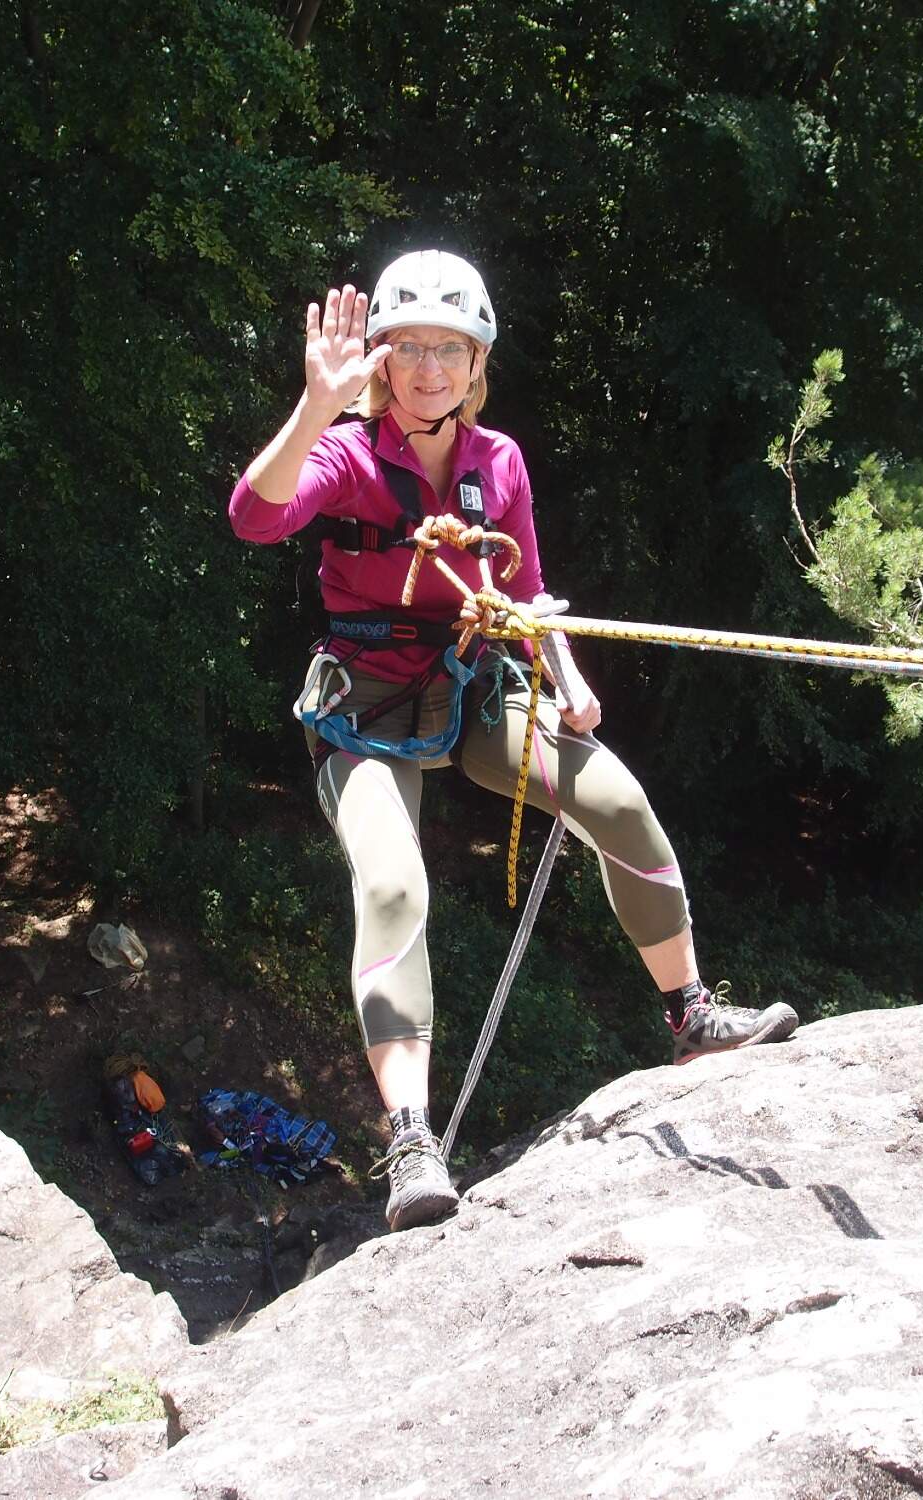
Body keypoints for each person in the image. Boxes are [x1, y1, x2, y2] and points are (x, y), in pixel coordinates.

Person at [229, 249, 798, 1232]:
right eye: (406, 347)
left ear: (475, 360)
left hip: (467, 682)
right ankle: (410, 1140)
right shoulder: (348, 454)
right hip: (359, 706)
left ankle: (690, 1016)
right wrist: (315, 407)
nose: (427, 368)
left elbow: (528, 592)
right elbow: (253, 515)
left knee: (614, 799)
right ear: (379, 361)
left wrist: (568, 682)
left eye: (448, 348)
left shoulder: (497, 464)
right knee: (393, 884)